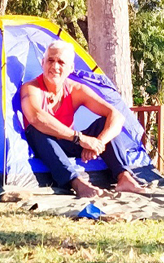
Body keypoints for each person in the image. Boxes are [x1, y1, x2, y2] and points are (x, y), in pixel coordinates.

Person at [20, 40, 146, 198]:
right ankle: (76, 182)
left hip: (69, 143)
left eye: (61, 62)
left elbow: (117, 116)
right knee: (35, 130)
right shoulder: (31, 88)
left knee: (104, 124)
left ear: (70, 68)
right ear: (42, 62)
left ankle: (124, 177)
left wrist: (97, 143)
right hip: (44, 146)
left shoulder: (75, 89)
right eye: (50, 60)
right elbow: (36, 117)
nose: (55, 67)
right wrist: (80, 139)